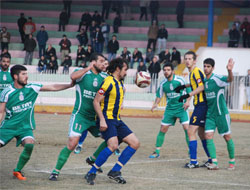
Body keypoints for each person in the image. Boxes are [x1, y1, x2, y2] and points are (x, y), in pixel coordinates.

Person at [0, 64, 74, 180]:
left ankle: (17, 170)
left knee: (29, 144)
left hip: (25, 127)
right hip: (8, 126)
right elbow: (1, 112)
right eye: (23, 74)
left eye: (27, 74)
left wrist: (69, 85)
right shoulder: (7, 92)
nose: (26, 76)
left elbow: (53, 87)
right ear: (15, 76)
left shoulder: (32, 88)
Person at [49, 53, 107, 181]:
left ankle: (92, 159)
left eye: (105, 61)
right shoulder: (82, 73)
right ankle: (55, 171)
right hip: (80, 116)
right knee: (72, 143)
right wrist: (87, 68)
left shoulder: (105, 77)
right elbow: (72, 76)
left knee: (111, 139)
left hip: (96, 118)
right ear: (93, 62)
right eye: (101, 61)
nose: (104, 63)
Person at [84, 58, 140, 185]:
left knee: (135, 143)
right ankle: (91, 172)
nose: (126, 73)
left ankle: (115, 171)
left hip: (116, 120)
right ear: (118, 69)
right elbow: (96, 101)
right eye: (125, 69)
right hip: (107, 119)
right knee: (113, 145)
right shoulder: (108, 82)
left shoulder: (119, 83)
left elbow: (119, 94)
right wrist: (102, 120)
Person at [174, 51, 211, 168]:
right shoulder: (192, 73)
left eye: (190, 59)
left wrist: (187, 95)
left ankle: (194, 161)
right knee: (201, 133)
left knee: (191, 131)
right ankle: (211, 159)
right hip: (200, 105)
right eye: (186, 59)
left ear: (195, 60)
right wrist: (184, 86)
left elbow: (202, 86)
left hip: (202, 105)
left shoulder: (196, 71)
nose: (187, 61)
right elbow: (195, 83)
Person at [149, 63, 191, 158]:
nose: (166, 72)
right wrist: (156, 104)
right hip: (170, 109)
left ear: (173, 71)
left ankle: (191, 151)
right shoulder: (163, 83)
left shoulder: (180, 80)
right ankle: (157, 151)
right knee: (163, 129)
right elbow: (159, 95)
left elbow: (189, 91)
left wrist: (187, 102)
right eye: (164, 70)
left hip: (182, 108)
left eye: (168, 70)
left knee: (187, 129)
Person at [203, 58, 235, 170]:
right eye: (205, 66)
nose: (206, 68)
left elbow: (230, 80)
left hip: (221, 114)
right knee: (208, 136)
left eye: (208, 66)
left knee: (227, 137)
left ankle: (232, 161)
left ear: (213, 68)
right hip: (210, 115)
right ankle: (214, 163)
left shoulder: (217, 79)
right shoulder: (204, 81)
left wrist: (230, 70)